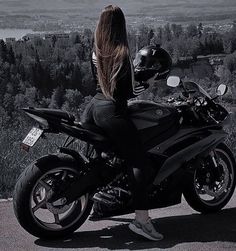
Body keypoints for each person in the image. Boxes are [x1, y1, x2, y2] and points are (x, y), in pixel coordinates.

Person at [82, 5, 171, 241]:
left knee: (105, 160)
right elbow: (131, 91)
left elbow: (102, 84)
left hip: (92, 109)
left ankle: (102, 200)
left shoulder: (96, 50)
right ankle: (142, 221)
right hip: (112, 112)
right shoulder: (121, 53)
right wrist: (150, 82)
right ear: (120, 26)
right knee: (139, 161)